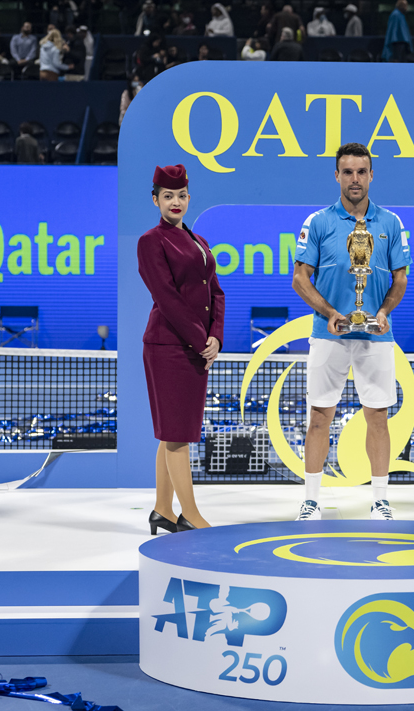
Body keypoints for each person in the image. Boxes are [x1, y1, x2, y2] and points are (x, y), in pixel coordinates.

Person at [292, 143, 411, 522]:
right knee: (319, 417)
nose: (355, 179)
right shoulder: (318, 222)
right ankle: (311, 501)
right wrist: (329, 313)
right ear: (337, 176)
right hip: (328, 334)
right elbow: (300, 278)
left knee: (377, 416)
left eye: (361, 172)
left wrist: (383, 311)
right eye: (348, 172)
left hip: (375, 335)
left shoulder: (390, 223)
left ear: (371, 175)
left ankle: (380, 501)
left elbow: (400, 279)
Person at [137, 164, 224, 535]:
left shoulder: (199, 241)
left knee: (174, 432)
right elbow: (167, 298)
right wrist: (200, 340)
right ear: (155, 200)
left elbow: (216, 292)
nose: (176, 202)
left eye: (182, 195)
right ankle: (190, 515)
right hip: (168, 348)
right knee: (177, 435)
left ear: (189, 198)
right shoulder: (150, 241)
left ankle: (162, 509)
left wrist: (215, 336)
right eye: (168, 196)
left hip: (194, 347)